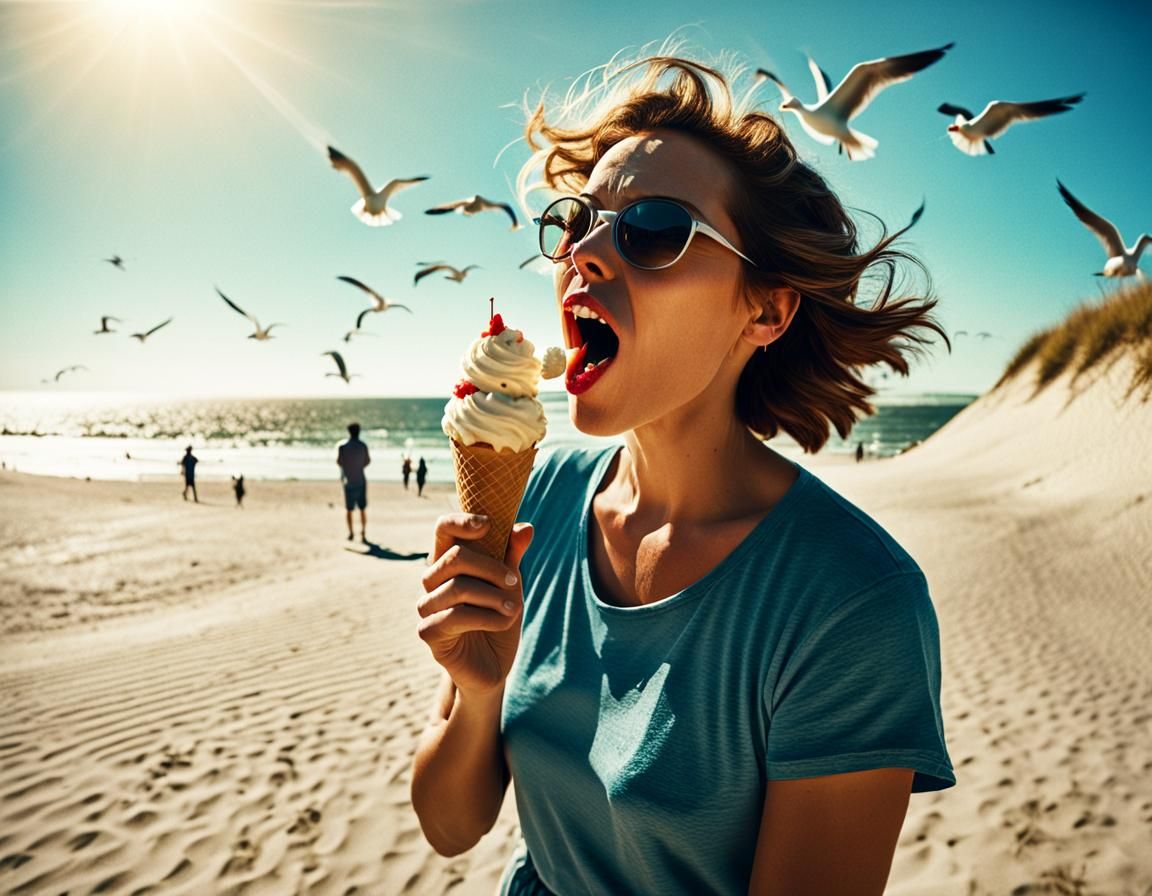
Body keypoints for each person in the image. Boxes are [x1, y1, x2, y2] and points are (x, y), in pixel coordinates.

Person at [413, 52, 955, 895]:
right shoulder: (541, 497)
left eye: (655, 228)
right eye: (578, 221)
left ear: (766, 309)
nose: (585, 253)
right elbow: (450, 828)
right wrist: (478, 691)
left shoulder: (851, 603)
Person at [337, 422, 371, 541]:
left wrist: (349, 467)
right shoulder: (363, 446)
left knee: (349, 509)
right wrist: (358, 466)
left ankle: (351, 533)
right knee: (362, 509)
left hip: (348, 481)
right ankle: (363, 532)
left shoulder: (343, 447)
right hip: (360, 480)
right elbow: (367, 461)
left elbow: (339, 462)